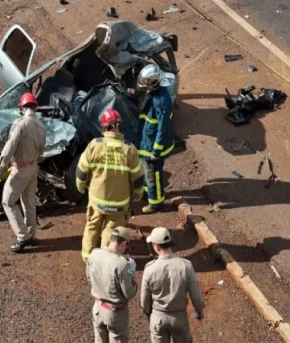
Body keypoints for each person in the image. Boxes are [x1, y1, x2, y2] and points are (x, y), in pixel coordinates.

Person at [76, 109, 144, 262]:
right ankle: (105, 260)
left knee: (92, 227)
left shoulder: (95, 145)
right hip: (119, 202)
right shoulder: (129, 149)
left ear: (104, 127)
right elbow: (138, 176)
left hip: (97, 199)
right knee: (111, 230)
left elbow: (82, 169)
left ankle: (88, 258)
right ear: (119, 125)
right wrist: (138, 193)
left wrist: (80, 185)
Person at [0, 92, 46, 253]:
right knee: (29, 203)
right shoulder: (41, 126)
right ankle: (31, 234)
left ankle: (23, 237)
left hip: (20, 169)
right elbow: (42, 150)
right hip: (33, 168)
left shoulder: (20, 125)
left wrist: (0, 168)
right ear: (35, 107)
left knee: (8, 202)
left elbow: (9, 149)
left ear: (22, 108)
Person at [141, 227, 205, 343]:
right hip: (179, 318)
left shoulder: (149, 269)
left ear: (156, 246)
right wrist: (199, 310)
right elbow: (196, 295)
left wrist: (148, 313)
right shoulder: (186, 266)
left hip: (158, 317)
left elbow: (145, 299)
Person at [86, 227, 137, 343]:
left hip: (98, 308)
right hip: (115, 313)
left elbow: (89, 279)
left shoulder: (94, 254)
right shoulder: (122, 264)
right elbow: (129, 293)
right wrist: (131, 271)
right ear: (124, 243)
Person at [136, 64, 175, 214]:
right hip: (147, 142)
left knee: (154, 175)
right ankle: (148, 193)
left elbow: (162, 128)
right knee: (147, 172)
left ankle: (156, 203)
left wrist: (156, 150)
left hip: (153, 145)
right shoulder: (156, 94)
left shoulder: (162, 100)